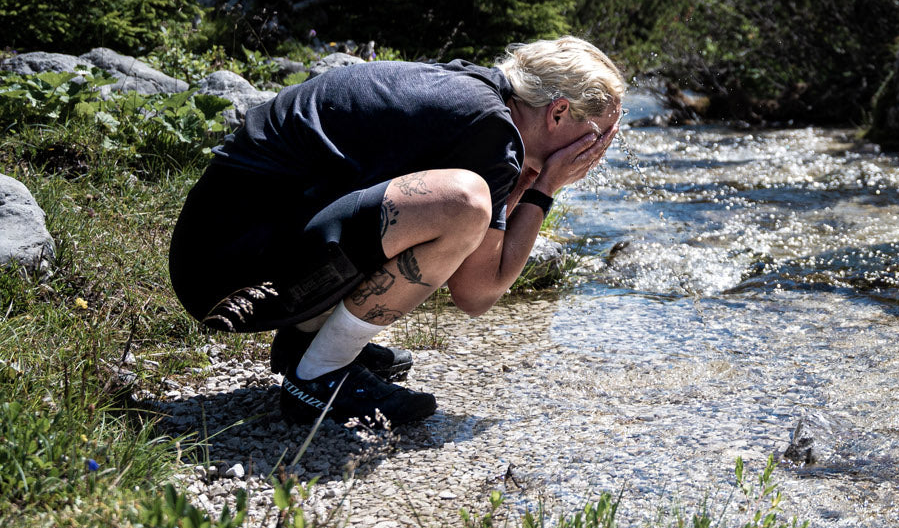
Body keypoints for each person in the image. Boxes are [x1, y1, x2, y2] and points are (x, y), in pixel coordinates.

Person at [169, 36, 623, 426]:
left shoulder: (474, 93)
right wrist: (547, 187)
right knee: (462, 203)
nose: (597, 151)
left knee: (448, 202)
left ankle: (308, 340)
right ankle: (319, 377)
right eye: (596, 135)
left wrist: (526, 182)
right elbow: (477, 292)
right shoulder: (491, 131)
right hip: (229, 274)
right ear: (559, 111)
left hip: (223, 251)